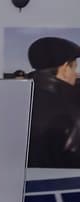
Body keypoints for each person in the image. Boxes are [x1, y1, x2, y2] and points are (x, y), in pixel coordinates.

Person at [27, 37, 80, 168]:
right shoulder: (72, 110)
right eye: (74, 68)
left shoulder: (17, 100)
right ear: (65, 67)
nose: (76, 75)